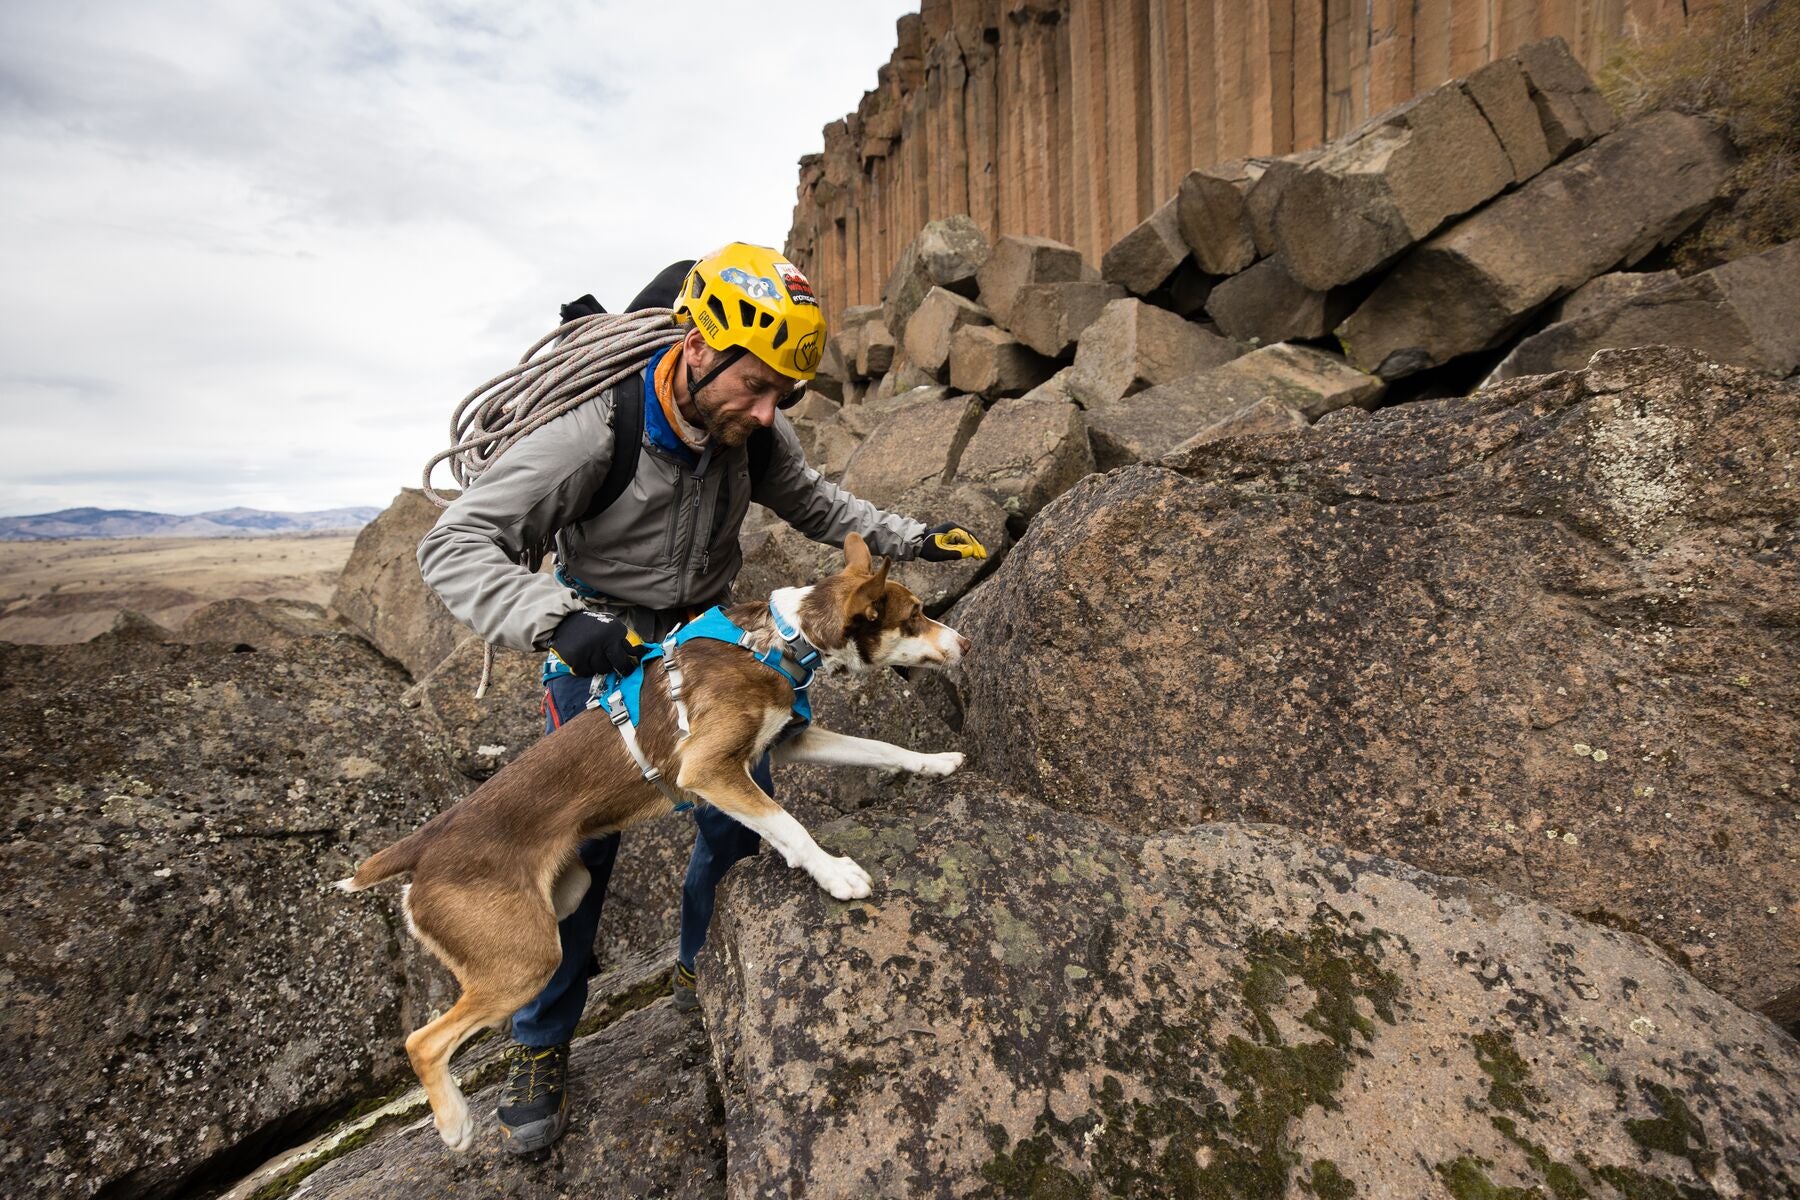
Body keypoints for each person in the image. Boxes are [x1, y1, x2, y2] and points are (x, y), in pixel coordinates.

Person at [416, 242, 983, 1153]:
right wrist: (554, 620)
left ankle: (702, 968)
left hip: (707, 638)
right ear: (695, 346)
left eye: (782, 400)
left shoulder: (754, 432)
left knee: (735, 817)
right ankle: (539, 1042)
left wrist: (911, 536)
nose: (765, 415)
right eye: (755, 388)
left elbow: (817, 505)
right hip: (598, 649)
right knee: (576, 846)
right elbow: (453, 544)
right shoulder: (593, 434)